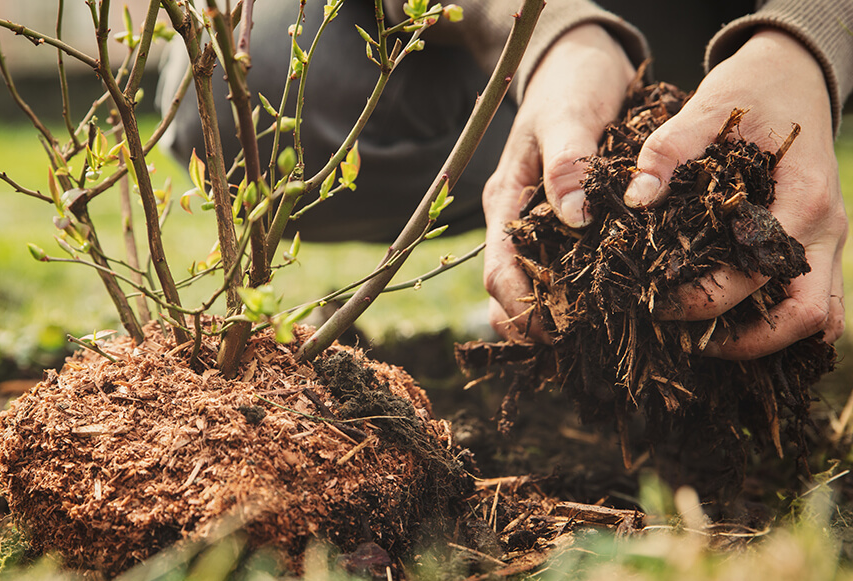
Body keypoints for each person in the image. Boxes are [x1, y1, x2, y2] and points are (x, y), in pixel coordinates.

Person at [158, 0, 853, 359]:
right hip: (536, 26)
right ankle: (579, 218)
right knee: (228, 87)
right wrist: (549, 33)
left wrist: (808, 39)